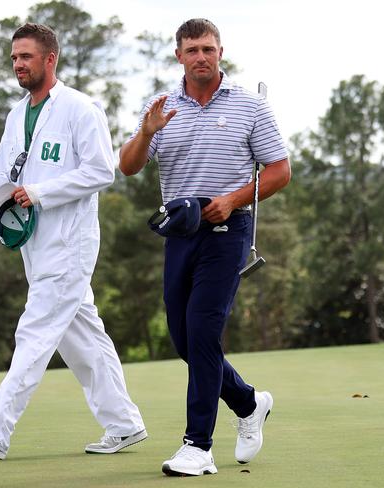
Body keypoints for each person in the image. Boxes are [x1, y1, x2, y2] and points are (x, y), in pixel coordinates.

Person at [0, 23, 146, 460]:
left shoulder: (81, 108)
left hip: (70, 243)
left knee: (35, 331)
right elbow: (1, 169)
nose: (18, 64)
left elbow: (101, 171)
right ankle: (124, 423)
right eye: (14, 57)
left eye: (27, 57)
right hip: (33, 244)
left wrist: (40, 192)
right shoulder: (17, 114)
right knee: (81, 336)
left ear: (50, 59)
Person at [119, 18, 290, 476]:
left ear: (220, 52)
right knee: (183, 336)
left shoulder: (250, 107)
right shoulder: (160, 108)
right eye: (192, 49)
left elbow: (279, 170)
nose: (201, 56)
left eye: (208, 49)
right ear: (179, 55)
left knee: (203, 330)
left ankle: (198, 446)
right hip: (179, 232)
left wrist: (233, 199)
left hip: (228, 233)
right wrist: (147, 132)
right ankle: (249, 402)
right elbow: (129, 166)